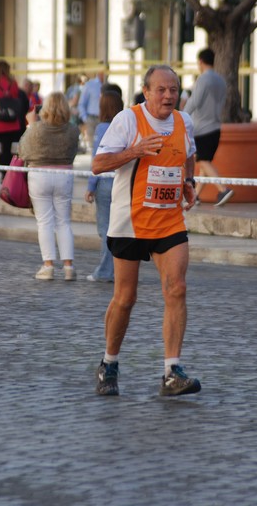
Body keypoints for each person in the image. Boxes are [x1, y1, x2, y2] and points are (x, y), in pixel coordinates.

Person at [92, 64, 201, 397]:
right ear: (147, 91)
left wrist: (188, 182)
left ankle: (172, 372)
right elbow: (98, 164)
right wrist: (135, 151)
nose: (169, 96)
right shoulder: (128, 120)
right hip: (131, 221)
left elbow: (190, 154)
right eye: (161, 90)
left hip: (169, 220)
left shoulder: (184, 121)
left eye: (174, 90)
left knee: (177, 288)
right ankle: (109, 364)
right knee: (126, 298)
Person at [18, 92, 80, 281]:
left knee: (44, 222)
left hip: (39, 176)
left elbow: (23, 151)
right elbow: (74, 151)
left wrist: (30, 124)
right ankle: (68, 266)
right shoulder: (73, 130)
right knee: (64, 222)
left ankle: (48, 266)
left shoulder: (35, 129)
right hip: (64, 175)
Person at [183, 48, 234, 206]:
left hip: (202, 127)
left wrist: (182, 115)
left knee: (203, 160)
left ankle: (223, 189)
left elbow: (195, 101)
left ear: (200, 62)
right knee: (205, 164)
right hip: (215, 126)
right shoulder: (221, 80)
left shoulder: (203, 79)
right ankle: (195, 196)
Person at [85, 91, 124, 282]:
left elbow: (97, 159)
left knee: (105, 229)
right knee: (118, 229)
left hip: (106, 182)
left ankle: (105, 272)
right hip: (122, 181)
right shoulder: (125, 125)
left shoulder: (102, 128)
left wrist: (90, 186)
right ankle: (118, 270)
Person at [0, 59, 23, 178]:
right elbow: (16, 97)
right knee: (6, 150)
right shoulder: (13, 83)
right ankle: (5, 176)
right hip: (10, 122)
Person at [78, 68, 105, 148]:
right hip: (91, 119)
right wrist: (85, 118)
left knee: (103, 146)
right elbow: (82, 102)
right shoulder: (90, 85)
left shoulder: (108, 85)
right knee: (92, 146)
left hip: (104, 119)